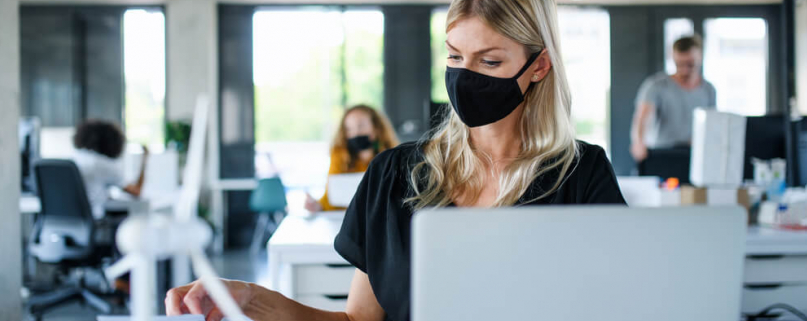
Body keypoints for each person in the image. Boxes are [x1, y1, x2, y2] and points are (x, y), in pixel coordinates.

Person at [165, 1, 626, 320]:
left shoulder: (581, 176)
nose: (465, 76)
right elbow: (357, 319)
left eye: (489, 63)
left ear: (538, 67)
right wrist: (249, 300)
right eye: (454, 56)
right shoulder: (393, 174)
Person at [630, 35, 717, 163]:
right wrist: (638, 142)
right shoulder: (656, 85)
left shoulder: (709, 89)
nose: (684, 70)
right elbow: (642, 118)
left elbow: (712, 123)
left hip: (695, 155)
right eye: (679, 64)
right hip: (663, 153)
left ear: (700, 57)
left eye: (690, 64)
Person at [304, 104, 400, 212]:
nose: (355, 133)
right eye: (349, 129)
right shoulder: (339, 156)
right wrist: (316, 206)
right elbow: (330, 198)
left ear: (376, 128)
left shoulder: (392, 157)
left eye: (361, 126)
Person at [72, 119, 148, 220]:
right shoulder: (102, 164)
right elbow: (136, 191)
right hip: (92, 221)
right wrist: (145, 160)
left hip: (64, 221)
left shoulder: (76, 156)